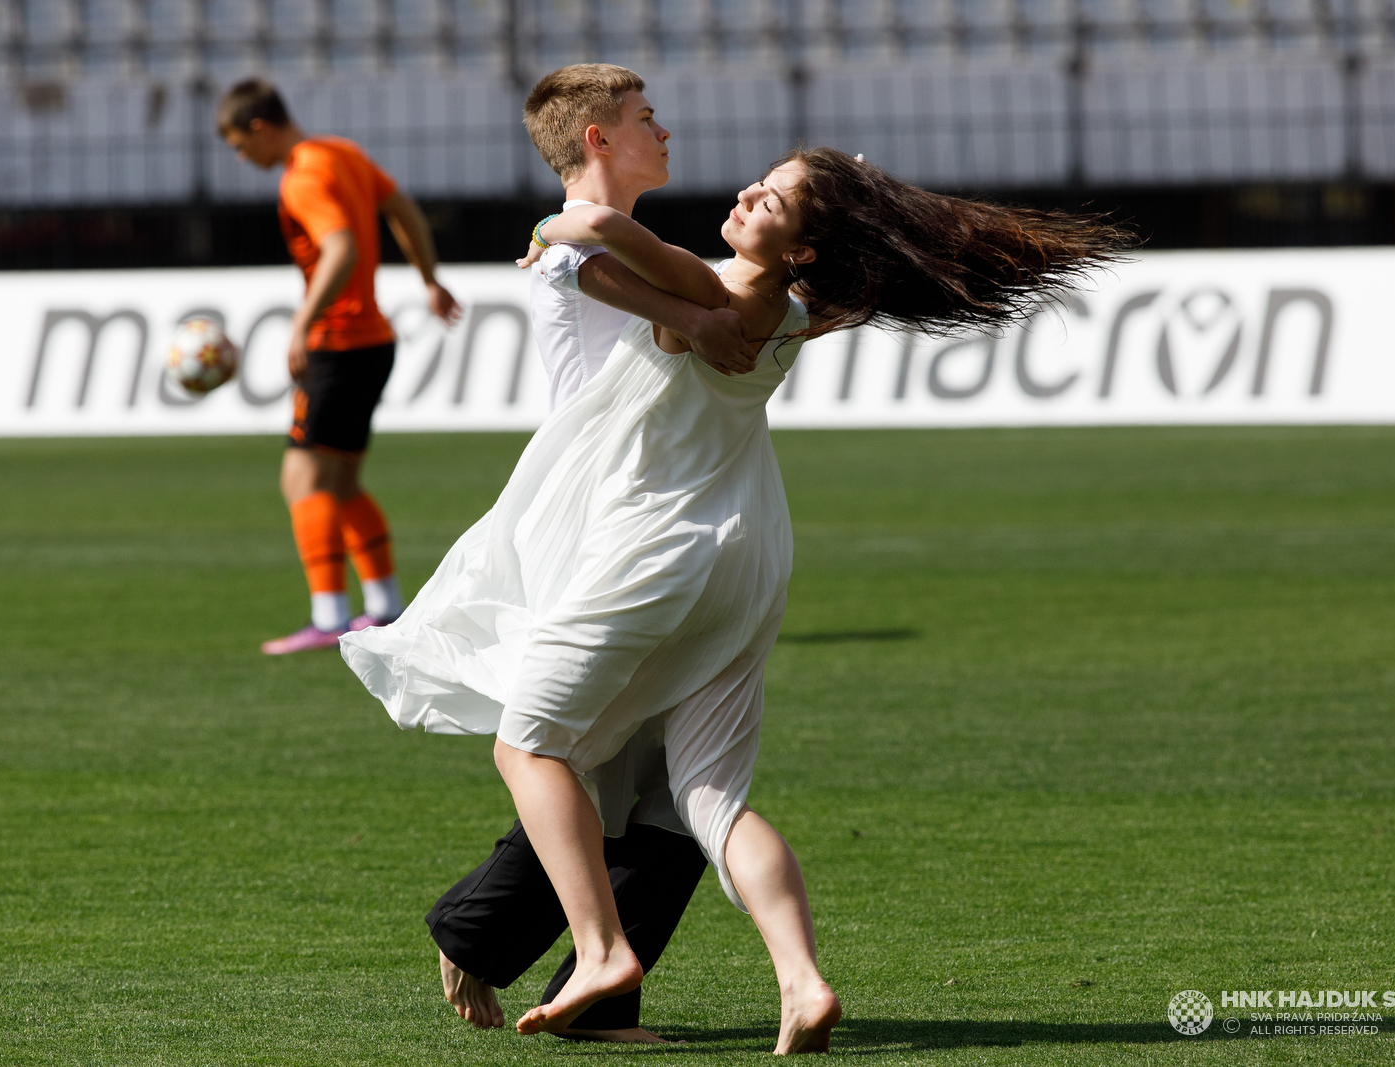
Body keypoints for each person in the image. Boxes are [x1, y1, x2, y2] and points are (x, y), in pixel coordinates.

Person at [342, 148, 1128, 1053]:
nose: (750, 191)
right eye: (766, 179)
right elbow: (638, 277)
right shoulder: (793, 307)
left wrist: (544, 228)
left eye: (778, 198)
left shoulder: (731, 290)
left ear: (803, 246)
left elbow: (593, 228)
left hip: (657, 553)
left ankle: (601, 951)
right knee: (706, 801)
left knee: (529, 745)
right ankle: (801, 979)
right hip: (744, 563)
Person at [425, 64, 759, 1044]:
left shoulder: (636, 244)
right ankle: (484, 932)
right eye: (646, 117)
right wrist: (702, 317)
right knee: (600, 762)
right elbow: (567, 254)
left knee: (663, 783)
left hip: (660, 522)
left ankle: (594, 992)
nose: (665, 129)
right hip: (605, 532)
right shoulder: (568, 239)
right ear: (600, 140)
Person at [215, 78, 462, 655]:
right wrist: (428, 278)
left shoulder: (302, 174)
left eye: (236, 144)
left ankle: (328, 617)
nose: (239, 156)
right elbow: (401, 208)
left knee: (301, 479)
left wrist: (302, 323)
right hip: (374, 341)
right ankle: (385, 606)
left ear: (258, 126)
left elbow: (342, 247)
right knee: (344, 482)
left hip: (338, 346)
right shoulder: (344, 154)